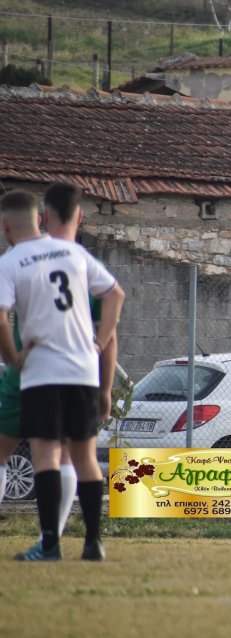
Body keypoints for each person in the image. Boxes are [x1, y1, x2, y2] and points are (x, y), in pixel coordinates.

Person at [0, 188, 124, 562]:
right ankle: (92, 543)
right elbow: (115, 294)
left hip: (43, 372)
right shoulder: (74, 252)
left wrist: (15, 357)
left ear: (6, 227)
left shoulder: (13, 260)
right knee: (84, 457)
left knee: (46, 457)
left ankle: (50, 544)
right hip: (83, 370)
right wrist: (98, 344)